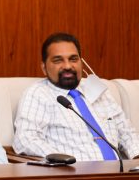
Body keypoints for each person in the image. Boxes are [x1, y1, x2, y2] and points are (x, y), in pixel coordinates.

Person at [13, 32, 139, 161]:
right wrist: (65, 161)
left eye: (73, 59)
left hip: (120, 171)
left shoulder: (98, 90)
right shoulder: (38, 94)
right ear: (44, 67)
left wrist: (137, 156)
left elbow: (126, 131)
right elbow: (25, 140)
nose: (68, 66)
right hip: (74, 171)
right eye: (58, 60)